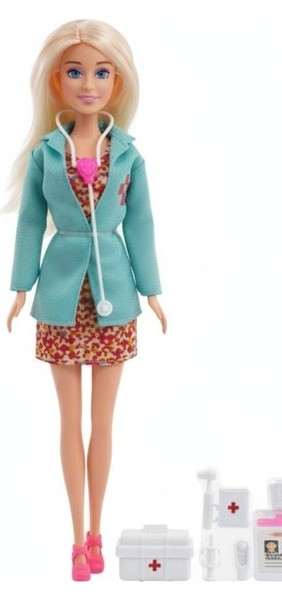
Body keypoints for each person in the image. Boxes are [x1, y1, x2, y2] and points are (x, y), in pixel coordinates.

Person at [6, 19, 166, 581]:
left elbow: (140, 224)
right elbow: (30, 222)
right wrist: (20, 285)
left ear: (118, 81)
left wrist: (151, 289)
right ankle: (77, 538)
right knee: (68, 422)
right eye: (76, 72)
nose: (89, 84)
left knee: (104, 423)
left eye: (102, 72)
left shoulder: (128, 154)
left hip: (114, 294)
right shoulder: (47, 153)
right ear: (56, 80)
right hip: (59, 296)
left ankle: (99, 528)